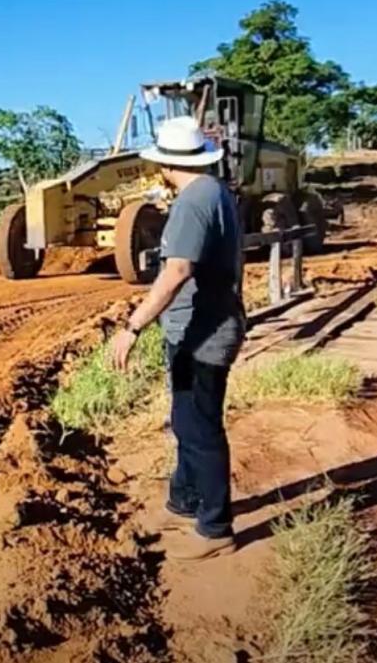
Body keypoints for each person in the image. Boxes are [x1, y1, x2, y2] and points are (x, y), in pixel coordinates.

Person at [108, 115, 244, 562]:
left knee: (199, 427)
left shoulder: (192, 202)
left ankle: (216, 528)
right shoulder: (213, 192)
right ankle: (184, 499)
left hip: (203, 333)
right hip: (199, 327)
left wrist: (132, 327)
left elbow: (176, 271)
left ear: (165, 164)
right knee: (186, 418)